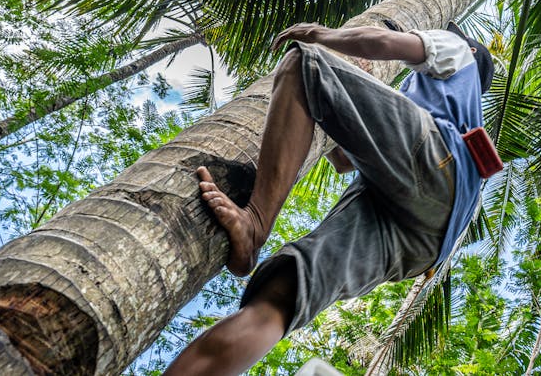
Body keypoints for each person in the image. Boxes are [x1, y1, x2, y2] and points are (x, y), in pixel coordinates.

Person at [163, 21, 494, 375]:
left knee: (304, 64)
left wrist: (320, 35)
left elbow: (382, 42)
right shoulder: (457, 108)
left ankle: (255, 223)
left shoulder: (458, 51)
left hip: (437, 166)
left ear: (471, 50)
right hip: (426, 242)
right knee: (281, 296)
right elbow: (344, 160)